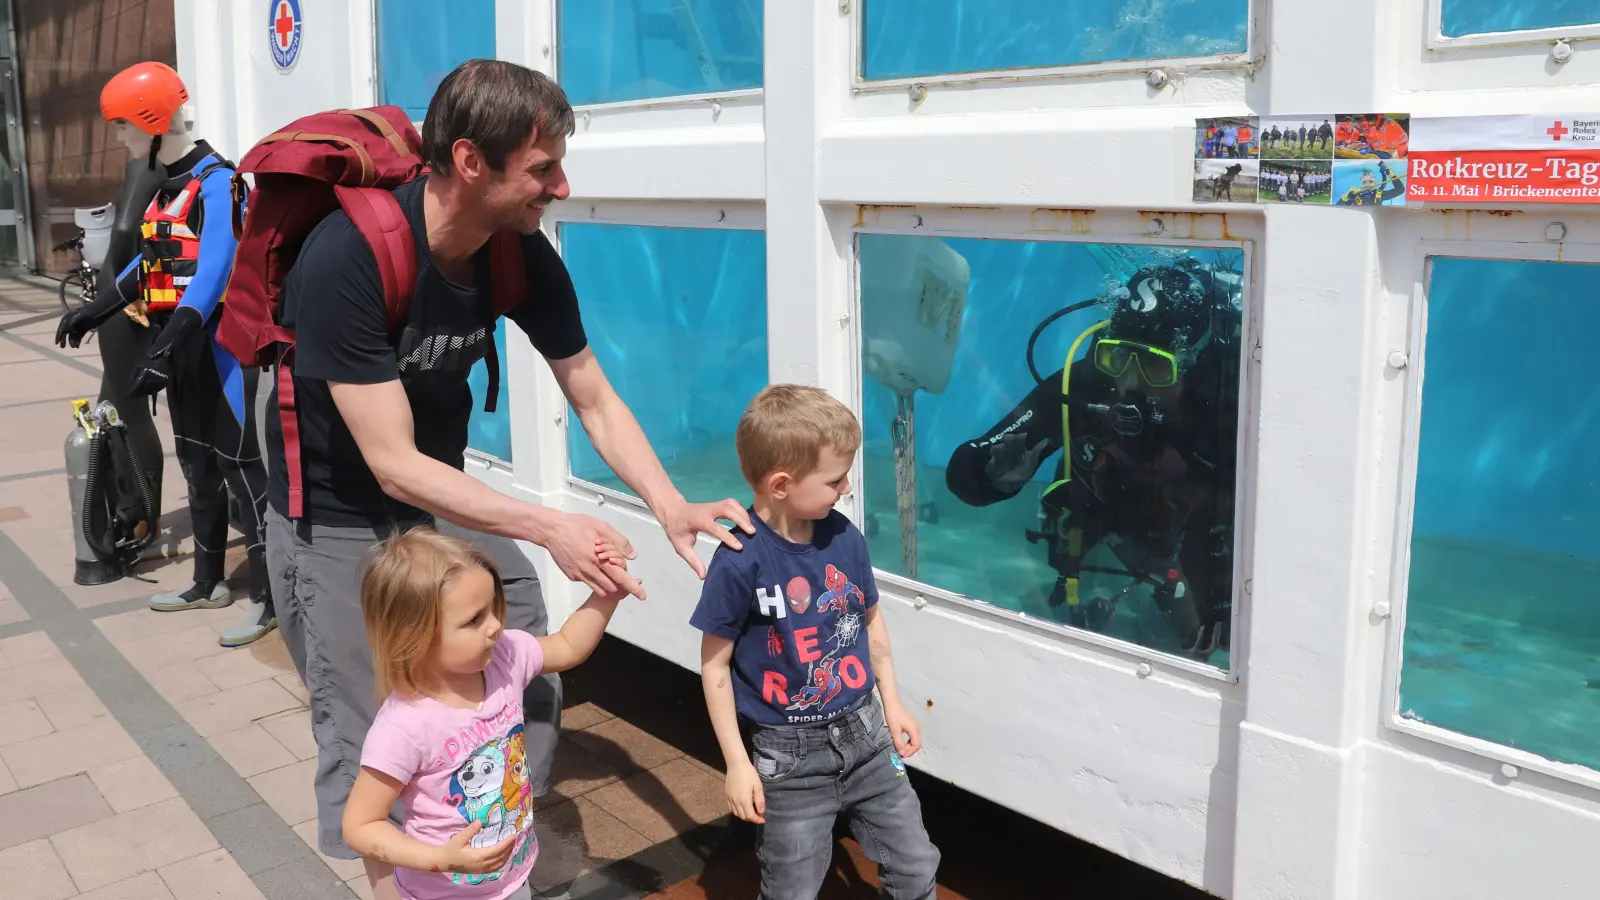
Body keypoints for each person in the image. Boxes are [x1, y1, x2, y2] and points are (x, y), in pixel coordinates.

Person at [260, 58, 757, 885]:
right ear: (467, 162)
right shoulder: (349, 257)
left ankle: (484, 840)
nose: (560, 186)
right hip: (339, 514)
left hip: (436, 490)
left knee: (518, 656)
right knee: (365, 728)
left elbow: (591, 394)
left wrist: (669, 504)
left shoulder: (515, 254)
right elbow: (389, 465)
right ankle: (406, 874)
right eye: (542, 168)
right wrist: (551, 524)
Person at [55, 61, 276, 648]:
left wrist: (163, 346)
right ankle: (207, 582)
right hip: (182, 358)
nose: (121, 140)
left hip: (222, 354)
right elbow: (151, 263)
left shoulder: (218, 183)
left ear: (152, 123)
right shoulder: (170, 189)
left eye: (124, 126)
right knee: (199, 470)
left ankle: (270, 598)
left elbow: (212, 273)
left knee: (241, 469)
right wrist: (95, 309)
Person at [691, 384, 941, 900]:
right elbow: (715, 668)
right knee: (792, 889)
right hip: (789, 758)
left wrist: (892, 703)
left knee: (916, 865)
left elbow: (870, 624)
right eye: (834, 479)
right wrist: (738, 764)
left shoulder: (844, 538)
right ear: (782, 484)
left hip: (868, 738)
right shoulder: (740, 561)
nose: (845, 487)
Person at [944, 261, 1239, 660]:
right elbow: (969, 465)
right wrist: (992, 477)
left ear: (1191, 363)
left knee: (1211, 638)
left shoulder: (1222, 403)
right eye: (1119, 358)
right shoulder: (1091, 379)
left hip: (1199, 533)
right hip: (1112, 519)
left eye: (1155, 366)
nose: (1131, 383)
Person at [343, 527, 632, 900]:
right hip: (443, 893)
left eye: (494, 607)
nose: (496, 625)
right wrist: (438, 859)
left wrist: (608, 595)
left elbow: (566, 645)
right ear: (413, 636)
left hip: (511, 880)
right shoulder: (405, 726)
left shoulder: (504, 658)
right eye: (474, 620)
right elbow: (360, 824)